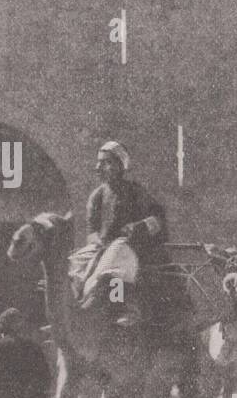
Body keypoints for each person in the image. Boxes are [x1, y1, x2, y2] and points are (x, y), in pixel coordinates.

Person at [69, 140, 168, 328]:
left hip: (130, 247)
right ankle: (74, 307)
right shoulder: (97, 196)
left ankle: (124, 308)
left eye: (105, 162)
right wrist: (96, 241)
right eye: (99, 162)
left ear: (120, 166)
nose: (99, 167)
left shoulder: (134, 191)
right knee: (76, 261)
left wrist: (137, 227)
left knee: (116, 260)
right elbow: (92, 231)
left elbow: (156, 219)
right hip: (104, 247)